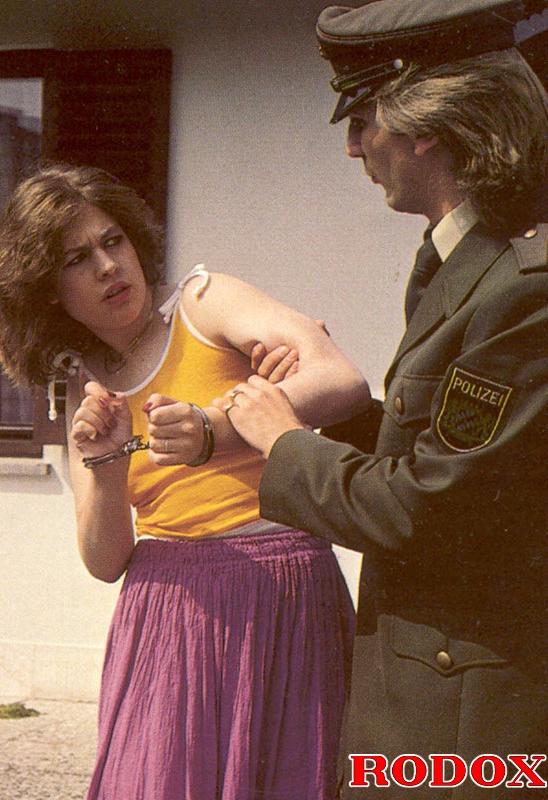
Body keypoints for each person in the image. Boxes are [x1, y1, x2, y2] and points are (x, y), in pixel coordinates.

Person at [218, 1, 548, 797]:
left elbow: (428, 508)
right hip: (430, 695)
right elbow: (450, 456)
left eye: (362, 119)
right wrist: (337, 409)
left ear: (424, 127)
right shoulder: (464, 265)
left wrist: (285, 442)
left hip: (466, 722)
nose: (353, 146)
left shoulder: (520, 290)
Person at [0, 162, 369, 800]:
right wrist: (106, 466)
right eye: (77, 259)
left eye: (113, 241)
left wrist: (214, 427)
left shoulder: (202, 301)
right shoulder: (78, 379)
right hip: (167, 611)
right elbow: (105, 561)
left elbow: (341, 379)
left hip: (280, 588)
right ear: (47, 290)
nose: (108, 266)